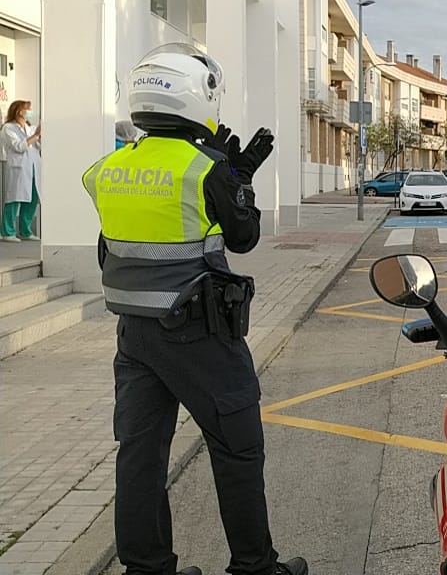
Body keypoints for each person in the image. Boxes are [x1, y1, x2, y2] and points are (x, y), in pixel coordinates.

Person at [82, 44, 307, 575]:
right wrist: (238, 179)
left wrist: (228, 174)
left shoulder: (107, 168)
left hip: (134, 337)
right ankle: (255, 566)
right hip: (200, 332)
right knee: (238, 448)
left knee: (140, 457)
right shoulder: (204, 168)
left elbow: (119, 239)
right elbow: (244, 237)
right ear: (197, 98)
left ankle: (146, 568)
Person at [2, 100, 41, 243]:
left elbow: (37, 145)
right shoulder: (8, 128)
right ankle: (7, 232)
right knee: (14, 199)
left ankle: (25, 231)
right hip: (18, 168)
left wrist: (40, 137)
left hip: (33, 167)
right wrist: (35, 136)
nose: (30, 112)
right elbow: (18, 146)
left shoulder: (30, 128)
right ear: (19, 111)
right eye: (28, 109)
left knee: (32, 198)